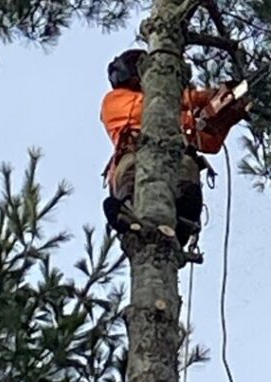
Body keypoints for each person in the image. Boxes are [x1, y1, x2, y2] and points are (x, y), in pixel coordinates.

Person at [100, 48, 242, 249]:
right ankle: (127, 212)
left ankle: (183, 222)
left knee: (187, 169)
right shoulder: (116, 100)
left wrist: (222, 118)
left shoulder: (177, 111)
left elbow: (208, 143)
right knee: (130, 172)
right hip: (133, 155)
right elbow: (154, 108)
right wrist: (204, 98)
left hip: (175, 155)